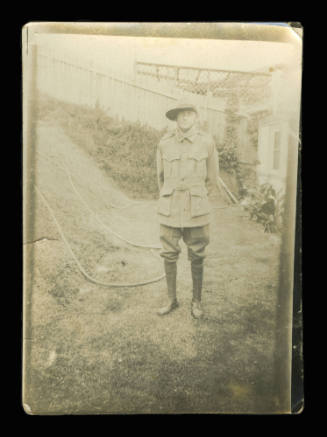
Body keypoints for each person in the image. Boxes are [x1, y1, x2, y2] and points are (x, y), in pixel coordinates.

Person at [156, 99, 220, 319]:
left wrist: (199, 197)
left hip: (197, 210)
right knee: (168, 253)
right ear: (175, 118)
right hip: (170, 209)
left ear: (196, 116)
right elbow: (160, 178)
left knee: (198, 254)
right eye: (180, 114)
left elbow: (212, 179)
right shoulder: (164, 143)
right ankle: (171, 299)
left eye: (189, 113)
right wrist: (168, 196)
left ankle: (197, 301)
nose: (184, 117)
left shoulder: (207, 142)